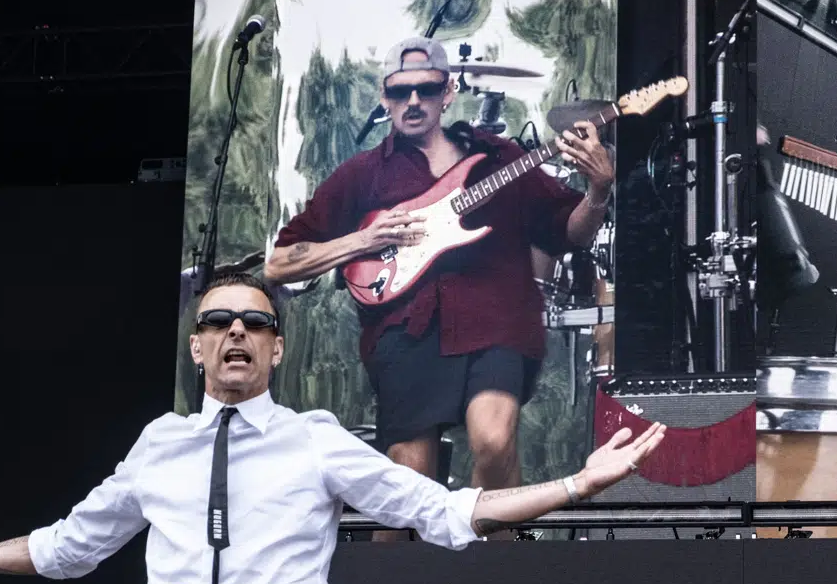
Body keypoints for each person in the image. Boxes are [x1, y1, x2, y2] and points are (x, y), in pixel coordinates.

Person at [0, 273, 664, 584]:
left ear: (276, 347)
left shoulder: (315, 438)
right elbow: (69, 547)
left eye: (253, 323)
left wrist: (575, 482)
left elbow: (448, 510)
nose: (235, 333)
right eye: (219, 320)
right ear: (196, 345)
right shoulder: (161, 442)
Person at [263, 37, 614, 500]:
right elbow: (279, 263)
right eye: (400, 91)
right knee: (410, 479)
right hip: (405, 332)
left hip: (497, 322)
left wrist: (599, 190)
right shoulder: (364, 174)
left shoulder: (499, 157)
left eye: (426, 90)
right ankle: (418, 571)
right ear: (384, 97)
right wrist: (363, 240)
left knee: (494, 442)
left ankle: (493, 568)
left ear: (448, 93)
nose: (413, 101)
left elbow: (568, 233)